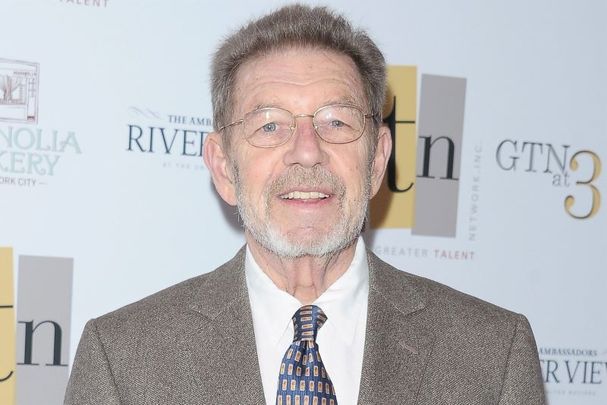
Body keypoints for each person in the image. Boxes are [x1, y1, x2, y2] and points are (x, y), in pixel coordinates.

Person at [64, 4, 546, 405]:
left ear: (377, 159)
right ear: (223, 167)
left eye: (336, 122)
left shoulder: (492, 356)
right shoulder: (123, 361)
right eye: (269, 125)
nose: (307, 150)